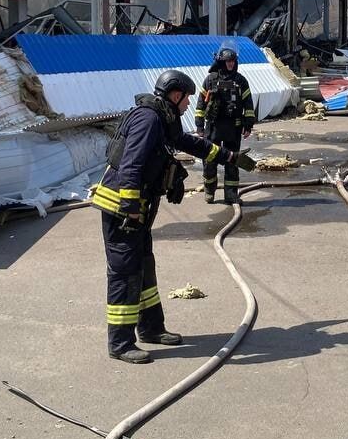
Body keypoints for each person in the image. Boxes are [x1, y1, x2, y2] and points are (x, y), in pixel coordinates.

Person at [91, 70, 257, 364]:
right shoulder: (148, 119)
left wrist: (228, 156)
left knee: (144, 266)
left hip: (138, 209)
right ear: (175, 94)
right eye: (187, 97)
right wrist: (130, 207)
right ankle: (119, 343)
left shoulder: (165, 118)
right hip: (122, 209)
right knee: (125, 273)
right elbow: (131, 164)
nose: (189, 103)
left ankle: (152, 329)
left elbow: (189, 143)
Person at [195, 45, 256, 205]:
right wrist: (199, 126)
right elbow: (201, 104)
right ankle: (209, 191)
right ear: (221, 62)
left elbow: (248, 104)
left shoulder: (241, 81)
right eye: (228, 61)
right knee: (209, 160)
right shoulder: (210, 80)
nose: (230, 64)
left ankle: (231, 194)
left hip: (233, 128)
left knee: (232, 161)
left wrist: (248, 124)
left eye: (233, 61)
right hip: (213, 128)